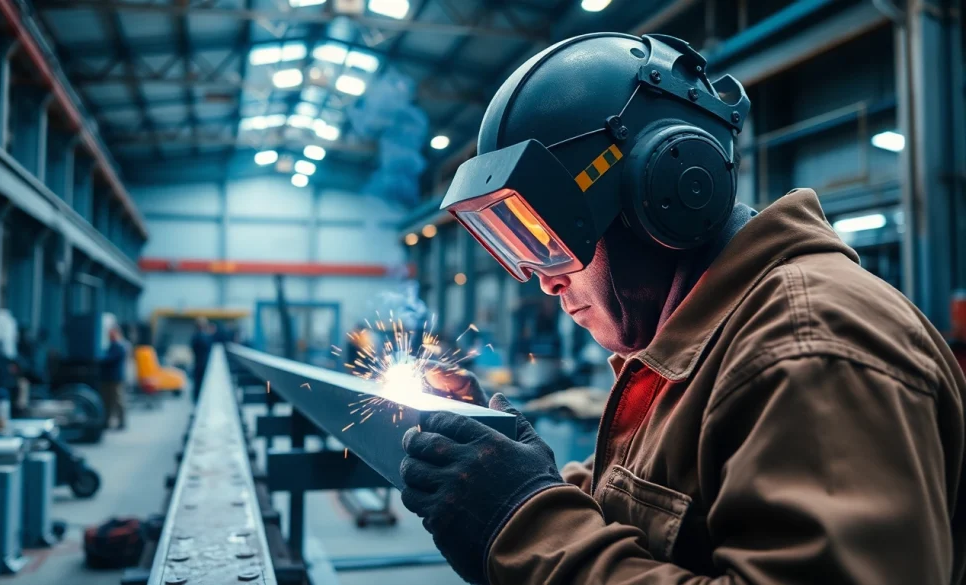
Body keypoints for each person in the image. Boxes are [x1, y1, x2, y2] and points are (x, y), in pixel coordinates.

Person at [400, 32, 966, 585]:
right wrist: (520, 475)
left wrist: (521, 523)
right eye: (518, 250)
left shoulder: (808, 346)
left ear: (663, 191)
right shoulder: (693, 348)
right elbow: (660, 517)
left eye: (550, 242)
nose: (542, 282)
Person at [99, 325, 128, 430]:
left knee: (118, 400)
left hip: (115, 378)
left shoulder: (119, 346)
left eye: (111, 333)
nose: (109, 335)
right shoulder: (112, 345)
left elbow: (108, 358)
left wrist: (99, 356)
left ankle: (122, 422)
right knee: (107, 401)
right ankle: (107, 421)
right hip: (108, 377)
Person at [190, 317, 213, 403]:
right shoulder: (200, 336)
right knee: (200, 384)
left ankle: (197, 401)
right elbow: (207, 346)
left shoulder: (196, 336)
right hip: (202, 364)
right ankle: (198, 402)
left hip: (199, 363)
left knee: (198, 384)